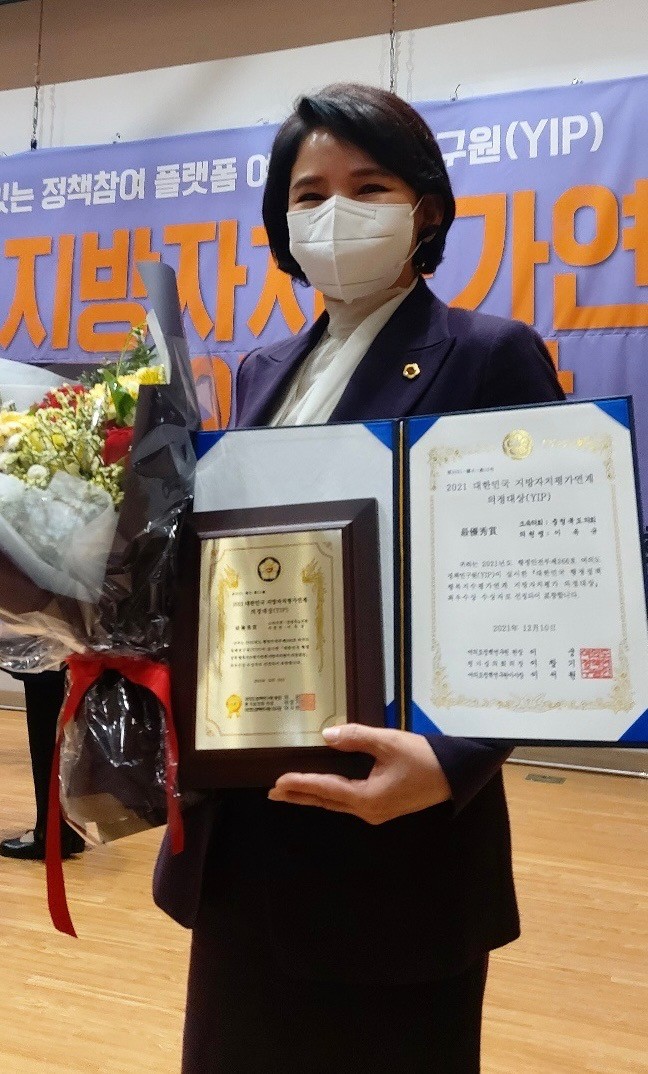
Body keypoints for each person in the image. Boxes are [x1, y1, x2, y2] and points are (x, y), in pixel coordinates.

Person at [154, 83, 564, 1073]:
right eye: (309, 195)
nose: (335, 212)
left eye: (368, 186)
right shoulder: (263, 370)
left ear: (424, 209)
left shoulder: (489, 355)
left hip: (397, 841)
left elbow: (545, 586)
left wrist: (454, 762)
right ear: (282, 224)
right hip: (245, 830)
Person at [0, 669, 85, 860]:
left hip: (48, 662)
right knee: (67, 721)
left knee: (44, 706)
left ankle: (50, 833)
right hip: (67, 658)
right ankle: (70, 831)